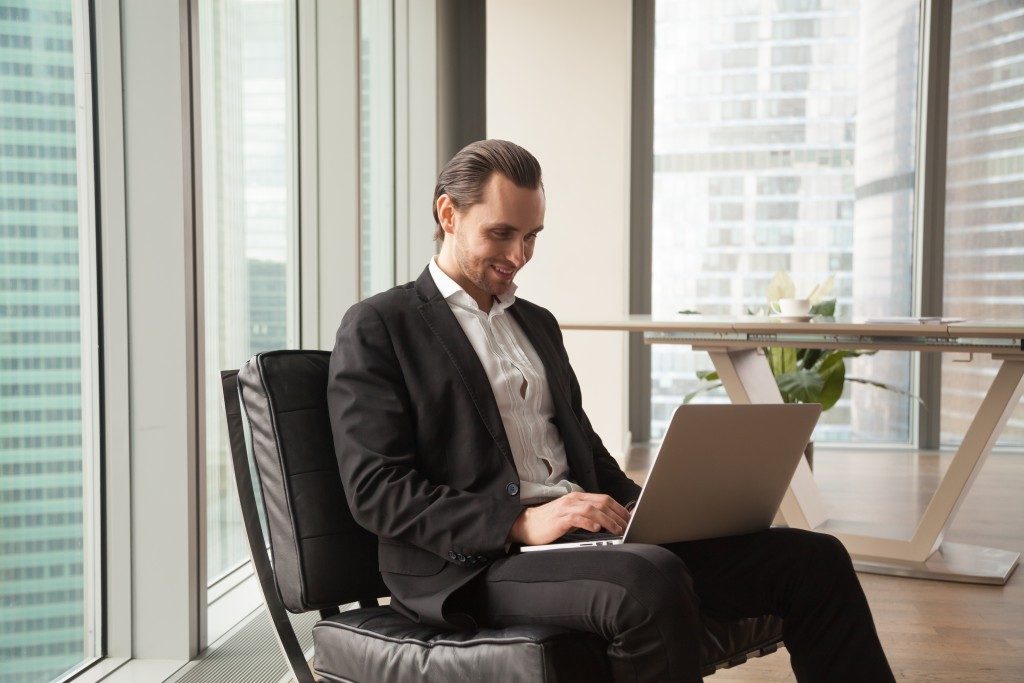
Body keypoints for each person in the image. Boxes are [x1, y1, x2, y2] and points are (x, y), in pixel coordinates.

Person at [327, 139, 895, 682]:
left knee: (813, 559)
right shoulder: (381, 324)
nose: (518, 256)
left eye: (531, 237)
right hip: (474, 565)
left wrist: (651, 510)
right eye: (501, 234)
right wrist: (519, 522)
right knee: (645, 582)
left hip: (580, 543)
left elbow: (583, 448)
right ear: (448, 214)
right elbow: (377, 488)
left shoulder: (536, 324)